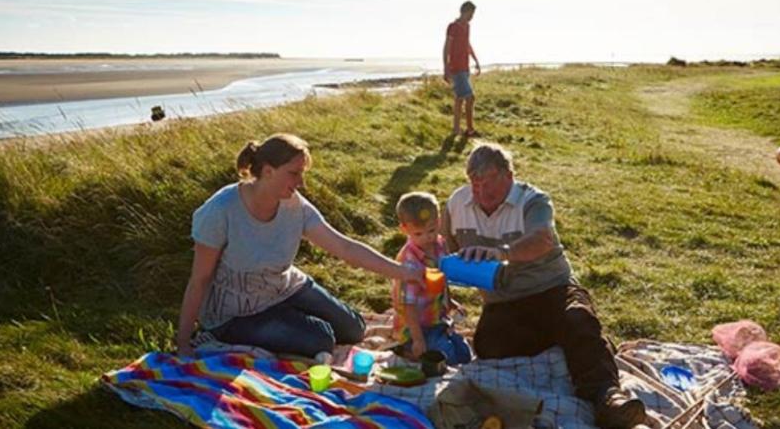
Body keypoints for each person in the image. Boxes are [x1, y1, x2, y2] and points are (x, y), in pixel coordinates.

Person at [440, 143, 647, 429]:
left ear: (509, 177)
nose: (482, 193)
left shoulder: (533, 200)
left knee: (578, 318)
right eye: (475, 184)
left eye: (489, 184)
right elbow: (443, 253)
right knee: (489, 345)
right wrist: (445, 295)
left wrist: (501, 252)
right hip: (503, 302)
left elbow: (542, 240)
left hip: (552, 289)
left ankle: (607, 396)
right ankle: (577, 350)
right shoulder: (456, 205)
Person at [176, 134, 423, 359]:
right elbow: (200, 278)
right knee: (321, 339)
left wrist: (402, 272)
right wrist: (183, 342)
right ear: (269, 171)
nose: (302, 183)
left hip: (284, 286)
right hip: (236, 312)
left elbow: (344, 247)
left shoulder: (295, 206)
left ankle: (288, 318)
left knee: (354, 329)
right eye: (294, 173)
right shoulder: (221, 210)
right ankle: (260, 328)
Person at [390, 191, 472, 365]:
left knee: (464, 353)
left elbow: (442, 279)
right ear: (405, 229)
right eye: (418, 234)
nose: (427, 238)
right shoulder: (409, 262)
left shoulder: (440, 245)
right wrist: (418, 339)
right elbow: (408, 305)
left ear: (439, 222)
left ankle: (434, 344)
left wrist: (450, 302)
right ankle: (407, 348)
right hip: (414, 328)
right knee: (447, 356)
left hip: (437, 320)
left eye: (431, 230)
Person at [443, 0, 482, 137]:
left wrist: (475, 60)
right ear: (464, 12)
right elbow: (447, 47)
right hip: (456, 67)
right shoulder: (453, 27)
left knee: (459, 99)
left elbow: (467, 45)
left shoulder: (467, 27)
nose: (472, 17)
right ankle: (470, 130)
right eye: (471, 14)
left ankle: (456, 130)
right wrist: (446, 68)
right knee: (470, 97)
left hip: (465, 67)